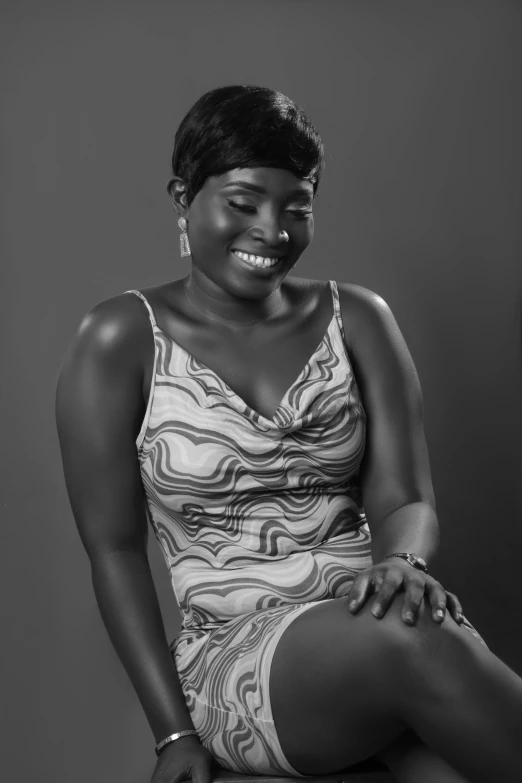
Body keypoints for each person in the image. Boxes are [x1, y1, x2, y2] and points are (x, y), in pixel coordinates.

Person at [55, 85, 522, 783]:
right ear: (183, 196)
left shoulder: (359, 318)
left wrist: (403, 564)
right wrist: (171, 732)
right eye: (243, 204)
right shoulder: (120, 339)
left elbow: (404, 498)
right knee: (414, 637)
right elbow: (116, 551)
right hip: (240, 658)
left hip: (380, 613)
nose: (272, 230)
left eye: (296, 208)